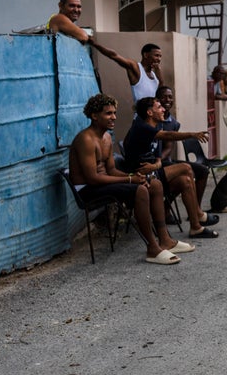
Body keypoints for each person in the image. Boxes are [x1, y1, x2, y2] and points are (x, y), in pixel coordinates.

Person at [69, 93, 195, 265]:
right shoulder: (86, 139)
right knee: (140, 190)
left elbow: (111, 170)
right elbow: (92, 178)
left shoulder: (106, 137)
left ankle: (165, 239)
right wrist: (129, 180)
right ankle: (152, 248)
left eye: (114, 113)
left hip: (102, 181)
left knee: (154, 184)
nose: (113, 117)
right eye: (108, 113)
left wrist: (134, 176)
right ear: (94, 116)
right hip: (88, 189)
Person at [123, 97, 219, 239]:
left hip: (153, 171)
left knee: (185, 180)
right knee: (186, 168)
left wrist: (156, 164)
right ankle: (198, 214)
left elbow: (158, 158)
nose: (163, 109)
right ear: (150, 112)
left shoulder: (155, 126)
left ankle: (196, 227)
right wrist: (192, 134)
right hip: (142, 177)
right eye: (159, 107)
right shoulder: (142, 127)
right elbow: (168, 135)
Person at [155, 85, 209, 207]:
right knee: (183, 176)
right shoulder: (152, 120)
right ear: (157, 100)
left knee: (203, 171)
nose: (168, 100)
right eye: (164, 97)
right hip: (156, 164)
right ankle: (166, 209)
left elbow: (168, 148)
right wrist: (155, 162)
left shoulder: (173, 123)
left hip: (164, 160)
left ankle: (196, 209)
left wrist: (158, 159)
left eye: (170, 97)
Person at [90, 41, 163, 104]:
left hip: (154, 117)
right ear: (146, 55)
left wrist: (160, 78)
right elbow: (113, 55)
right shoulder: (136, 68)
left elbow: (159, 95)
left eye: (160, 56)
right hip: (141, 118)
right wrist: (94, 44)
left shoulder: (155, 74)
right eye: (156, 55)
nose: (159, 59)